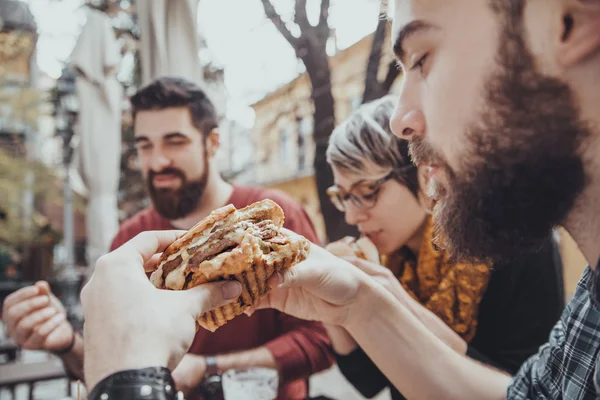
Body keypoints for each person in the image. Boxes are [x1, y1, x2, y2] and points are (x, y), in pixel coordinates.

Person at [245, 0, 600, 398]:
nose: (401, 120)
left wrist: (385, 304)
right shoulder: (591, 300)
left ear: (568, 21)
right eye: (344, 196)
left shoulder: (511, 241)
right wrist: (356, 306)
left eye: (422, 59)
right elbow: (533, 394)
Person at [2, 77, 333, 400]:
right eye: (146, 145)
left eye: (175, 141)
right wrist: (67, 344)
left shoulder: (276, 217)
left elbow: (321, 342)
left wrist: (205, 368)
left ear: (213, 143)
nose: (157, 161)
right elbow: (114, 367)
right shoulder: (131, 242)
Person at [323, 95, 564, 399]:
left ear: (424, 173)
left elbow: (530, 389)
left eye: (367, 192)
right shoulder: (387, 260)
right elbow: (368, 382)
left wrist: (396, 307)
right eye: (343, 196)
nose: (352, 215)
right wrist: (333, 311)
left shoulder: (518, 243)